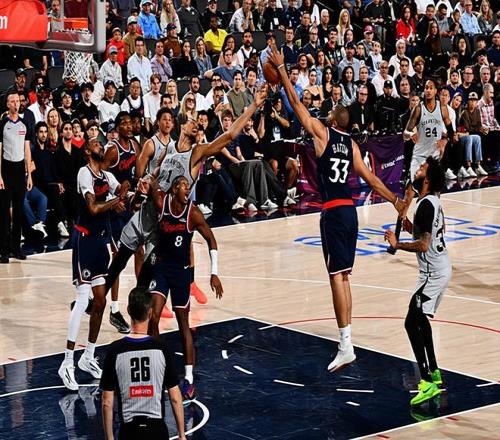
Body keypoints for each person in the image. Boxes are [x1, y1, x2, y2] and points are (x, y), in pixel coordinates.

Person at [268, 47, 405, 372]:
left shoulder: (323, 133)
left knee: (335, 278)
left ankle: (345, 345)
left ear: (332, 119)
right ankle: (347, 341)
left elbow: (296, 104)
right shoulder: (353, 145)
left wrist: (282, 70)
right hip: (351, 212)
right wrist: (395, 200)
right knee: (344, 278)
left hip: (332, 211)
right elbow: (372, 179)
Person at [58, 137, 129, 391]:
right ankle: (67, 362)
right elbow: (93, 208)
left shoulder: (107, 176)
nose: (101, 146)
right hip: (84, 240)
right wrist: (115, 201)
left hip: (100, 241)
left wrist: (130, 188)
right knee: (82, 299)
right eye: (97, 144)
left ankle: (88, 357)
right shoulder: (84, 173)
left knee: (100, 302)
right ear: (88, 151)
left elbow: (122, 190)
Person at [144, 175, 223, 402]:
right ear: (174, 189)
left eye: (188, 186)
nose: (187, 189)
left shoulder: (193, 213)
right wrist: (146, 180)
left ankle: (188, 377)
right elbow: (151, 183)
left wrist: (214, 272)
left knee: (183, 325)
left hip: (181, 273)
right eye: (183, 185)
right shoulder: (162, 202)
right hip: (162, 268)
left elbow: (211, 240)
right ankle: (159, 366)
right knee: (153, 317)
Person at [385, 156, 450, 406]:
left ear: (428, 179)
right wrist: (407, 224)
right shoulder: (432, 201)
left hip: (433, 272)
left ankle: (426, 381)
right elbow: (429, 230)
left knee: (411, 322)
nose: (418, 169)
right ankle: (434, 370)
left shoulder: (425, 205)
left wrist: (397, 244)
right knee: (420, 319)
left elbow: (423, 245)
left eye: (422, 168)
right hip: (436, 269)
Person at [101, 286, 186, 440]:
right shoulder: (161, 349)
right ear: (150, 313)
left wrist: (109, 438)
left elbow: (107, 401)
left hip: (129, 431)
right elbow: (175, 396)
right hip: (157, 430)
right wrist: (181, 435)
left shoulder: (115, 350)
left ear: (128, 310)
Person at [102, 112, 140, 334]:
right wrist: (112, 201)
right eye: (123, 123)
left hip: (129, 206)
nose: (128, 126)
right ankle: (114, 309)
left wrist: (136, 197)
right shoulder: (113, 150)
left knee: (140, 250)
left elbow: (136, 176)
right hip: (115, 209)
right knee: (117, 257)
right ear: (117, 128)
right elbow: (100, 178)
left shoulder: (135, 146)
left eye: (129, 123)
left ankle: (141, 293)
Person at [0, 92, 33, 263]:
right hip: (6, 169)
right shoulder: (2, 123)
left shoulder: (24, 123)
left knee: (19, 210)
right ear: (7, 104)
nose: (15, 103)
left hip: (20, 169)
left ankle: (15, 248)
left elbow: (27, 150)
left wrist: (29, 174)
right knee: (4, 211)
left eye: (17, 101)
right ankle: (3, 249)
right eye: (12, 101)